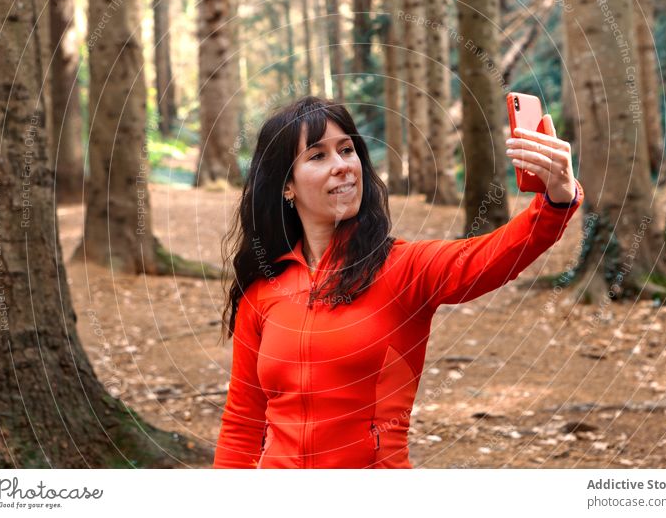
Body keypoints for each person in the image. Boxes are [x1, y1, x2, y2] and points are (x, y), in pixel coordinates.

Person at [212, 96, 583, 468]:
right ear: (286, 186)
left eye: (347, 149)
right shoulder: (263, 289)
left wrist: (556, 200)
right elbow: (243, 421)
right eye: (317, 155)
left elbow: (492, 257)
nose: (342, 166)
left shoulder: (403, 268)